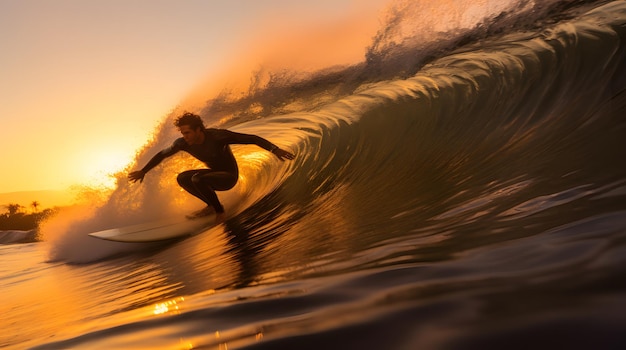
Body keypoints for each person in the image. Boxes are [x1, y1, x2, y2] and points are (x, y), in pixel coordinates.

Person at [128, 112, 295, 222]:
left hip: (228, 177)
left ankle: (220, 212)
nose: (184, 137)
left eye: (187, 132)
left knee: (197, 178)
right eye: (182, 133)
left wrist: (274, 149)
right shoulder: (183, 144)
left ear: (199, 130)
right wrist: (144, 171)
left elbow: (251, 138)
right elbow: (162, 154)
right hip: (211, 175)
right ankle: (210, 205)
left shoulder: (217, 136)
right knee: (182, 178)